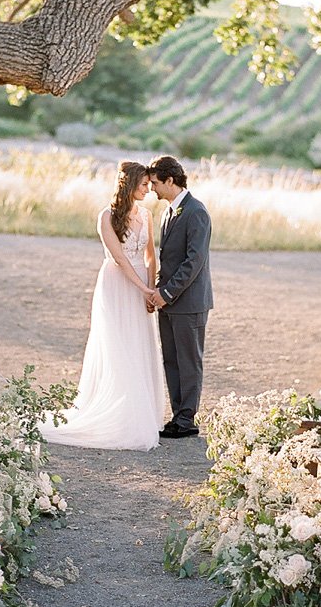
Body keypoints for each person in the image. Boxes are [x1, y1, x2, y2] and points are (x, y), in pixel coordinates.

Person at [41, 161, 164, 451]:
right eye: (143, 184)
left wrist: (152, 288)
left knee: (140, 342)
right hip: (116, 284)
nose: (148, 189)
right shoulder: (106, 217)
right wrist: (143, 287)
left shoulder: (146, 215)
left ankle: (142, 411)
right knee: (117, 343)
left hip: (141, 286)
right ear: (129, 184)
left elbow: (150, 255)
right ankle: (121, 415)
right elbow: (119, 258)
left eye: (149, 184)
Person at [147, 155, 213, 439]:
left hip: (189, 303)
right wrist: (158, 293)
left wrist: (168, 293)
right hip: (168, 302)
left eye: (155, 183)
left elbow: (194, 261)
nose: (152, 189)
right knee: (171, 360)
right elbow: (168, 260)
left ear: (170, 180)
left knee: (189, 361)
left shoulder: (196, 211)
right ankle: (178, 417)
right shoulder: (167, 212)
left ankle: (187, 420)